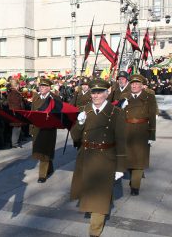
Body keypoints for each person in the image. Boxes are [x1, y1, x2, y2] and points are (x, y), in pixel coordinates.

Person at [70, 79, 126, 237]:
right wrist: (79, 123)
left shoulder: (116, 113)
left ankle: (94, 230)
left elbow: (121, 140)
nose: (95, 95)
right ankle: (94, 210)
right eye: (93, 92)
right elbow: (75, 137)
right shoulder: (84, 110)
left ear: (107, 93)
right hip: (86, 156)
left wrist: (121, 166)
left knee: (100, 196)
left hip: (105, 158)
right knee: (88, 190)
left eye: (99, 92)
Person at [121, 74, 157, 196]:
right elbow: (117, 115)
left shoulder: (149, 97)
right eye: (132, 83)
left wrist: (152, 135)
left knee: (139, 159)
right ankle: (133, 178)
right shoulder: (124, 96)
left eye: (137, 84)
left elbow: (152, 116)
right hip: (127, 130)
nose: (134, 85)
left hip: (142, 131)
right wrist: (120, 107)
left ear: (142, 86)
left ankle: (135, 186)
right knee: (129, 159)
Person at [30, 78, 61, 183]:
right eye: (40, 86)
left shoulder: (55, 98)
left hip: (48, 129)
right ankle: (50, 168)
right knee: (41, 151)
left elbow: (58, 115)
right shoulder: (36, 97)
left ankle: (42, 175)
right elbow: (32, 113)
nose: (41, 88)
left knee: (45, 151)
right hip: (37, 129)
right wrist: (31, 128)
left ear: (49, 88)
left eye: (43, 87)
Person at [7, 79, 25, 148]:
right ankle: (14, 143)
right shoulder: (15, 93)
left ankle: (14, 142)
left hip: (13, 112)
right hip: (16, 112)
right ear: (17, 85)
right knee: (16, 128)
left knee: (15, 128)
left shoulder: (11, 92)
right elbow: (17, 104)